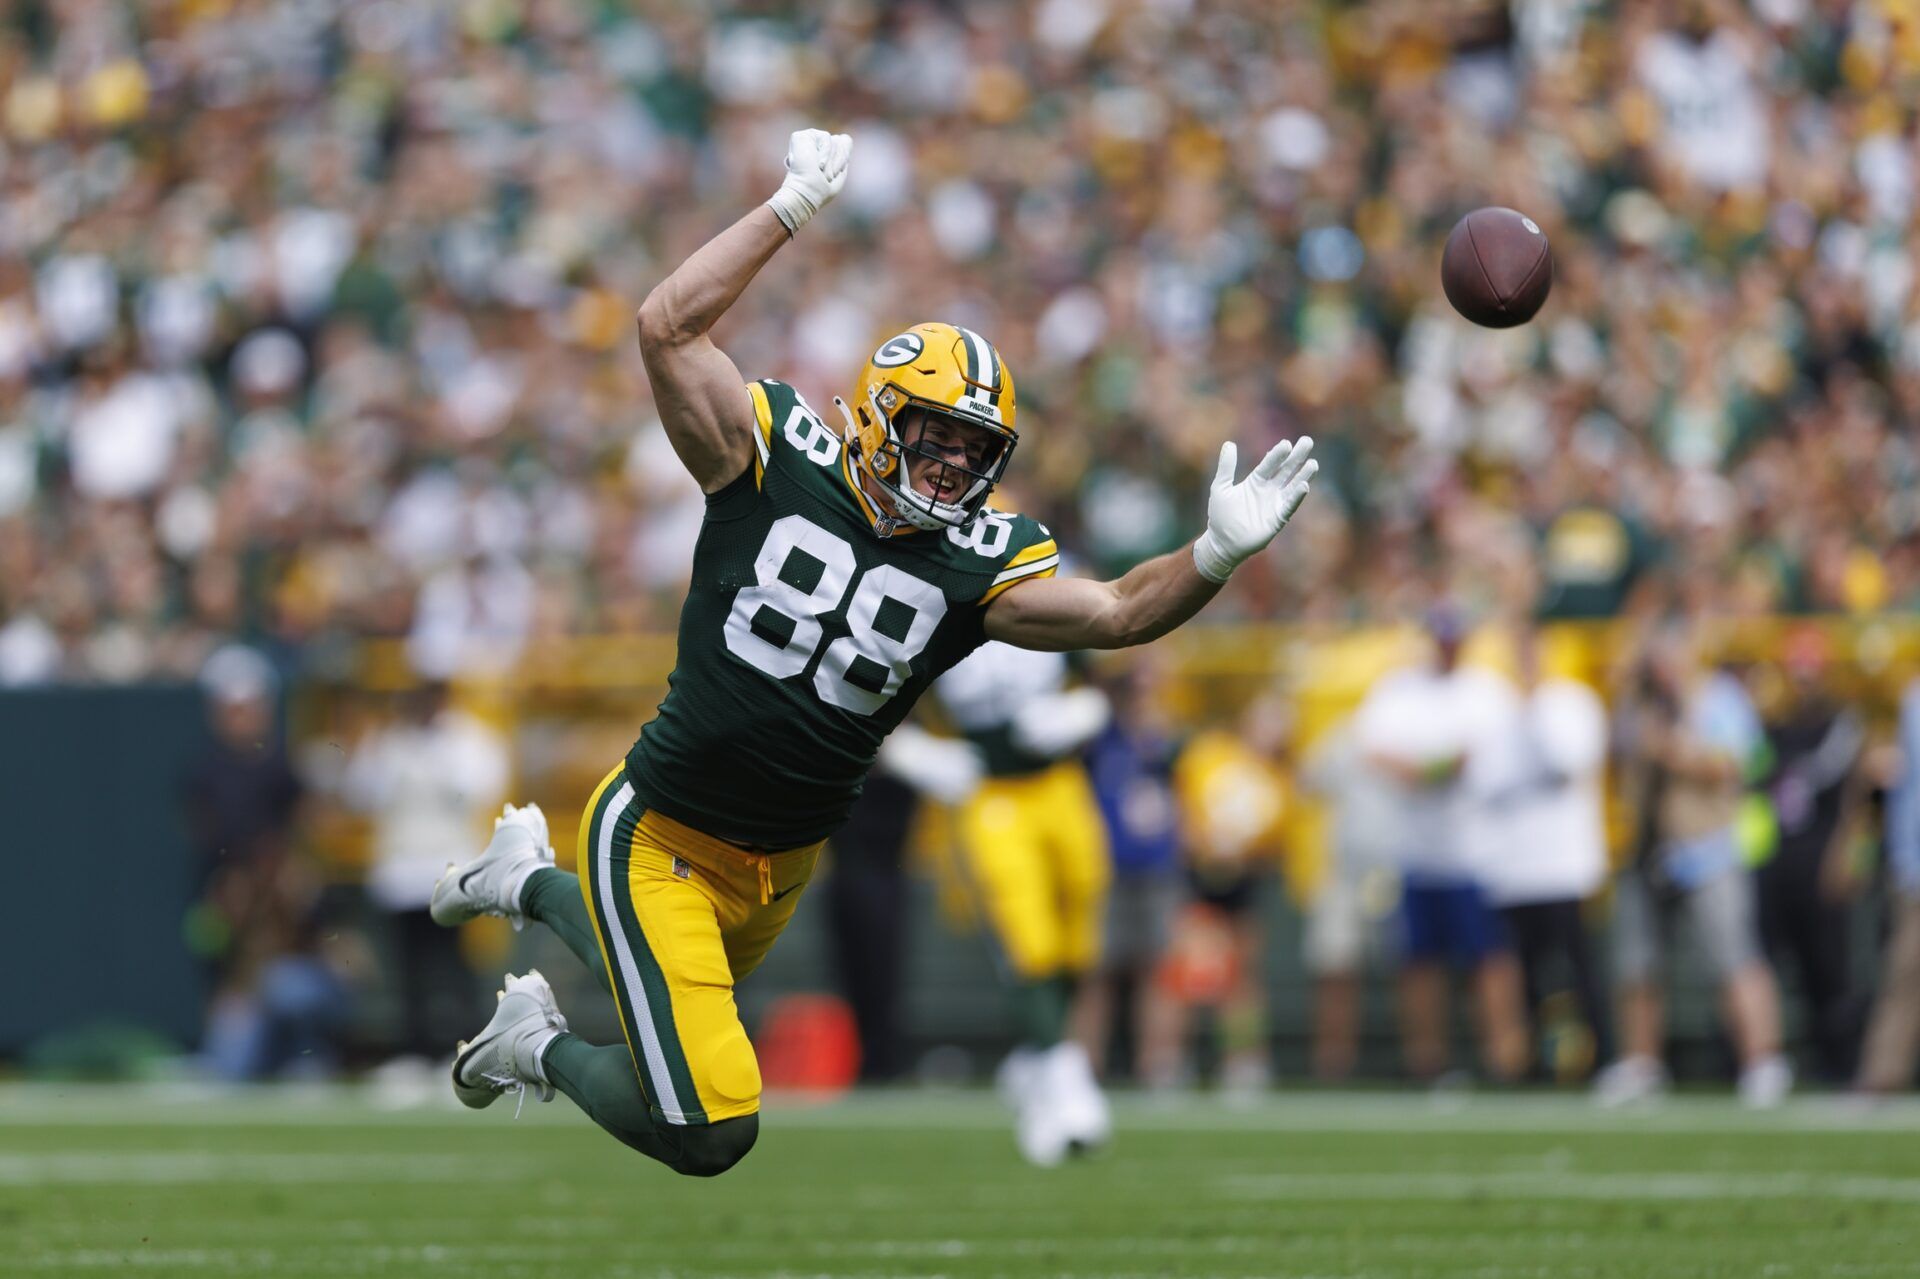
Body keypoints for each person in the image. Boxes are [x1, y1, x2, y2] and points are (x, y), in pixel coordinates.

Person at [423, 129, 1318, 1178]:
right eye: (936, 434)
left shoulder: (976, 567)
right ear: (882, 414)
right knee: (710, 1128)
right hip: (662, 827)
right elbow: (666, 328)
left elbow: (1119, 610)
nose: (951, 465)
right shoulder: (774, 457)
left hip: (781, 862)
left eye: (975, 450)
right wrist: (787, 209)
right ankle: (529, 1044)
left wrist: (1212, 555)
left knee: (656, 982)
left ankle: (525, 878)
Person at [1596, 624, 1791, 1108]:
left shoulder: (1718, 697)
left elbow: (1742, 764)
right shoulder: (1637, 703)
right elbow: (1616, 756)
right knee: (1637, 964)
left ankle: (1762, 1059)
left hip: (1707, 848)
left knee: (1733, 957)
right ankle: (1642, 1062)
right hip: (1647, 849)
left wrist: (1678, 752)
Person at [933, 640, 1112, 1165]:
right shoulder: (931, 604)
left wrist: (1085, 709)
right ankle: (1062, 1073)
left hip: (1059, 782)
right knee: (1027, 936)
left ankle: (1039, 1058)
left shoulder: (1048, 588)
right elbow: (878, 694)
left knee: (1080, 921)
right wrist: (911, 751)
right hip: (992, 793)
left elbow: (1104, 673)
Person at [1355, 606, 1527, 1085]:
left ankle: (1504, 1061)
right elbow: (1375, 751)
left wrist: (1430, 768)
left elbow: (1493, 762)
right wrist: (1433, 768)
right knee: (1419, 965)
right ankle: (1426, 1064)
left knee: (1489, 961)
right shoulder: (1399, 689)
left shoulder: (1488, 693)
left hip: (1478, 853)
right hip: (1415, 851)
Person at [1471, 628, 1616, 1080]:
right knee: (1526, 974)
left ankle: (1602, 1059)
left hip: (1566, 865)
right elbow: (1485, 784)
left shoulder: (1573, 703)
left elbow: (1564, 763)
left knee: (1579, 967)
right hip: (1515, 868)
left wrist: (1533, 712)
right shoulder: (1495, 710)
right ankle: (1531, 1064)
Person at [341, 681, 508, 1062]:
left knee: (456, 965)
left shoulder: (468, 738)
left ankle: (466, 1049)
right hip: (401, 873)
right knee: (408, 967)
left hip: (450, 870)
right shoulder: (389, 741)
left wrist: (432, 754)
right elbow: (360, 794)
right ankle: (414, 1052)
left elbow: (476, 789)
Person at [1754, 628, 1866, 1084]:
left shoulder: (1840, 724)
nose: (1801, 683)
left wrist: (1847, 854)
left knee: (1830, 967)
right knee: (1782, 964)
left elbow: (1853, 799)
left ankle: (1841, 1063)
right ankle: (1790, 1059)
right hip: (1778, 857)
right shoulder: (1773, 728)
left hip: (1822, 855)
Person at [1075, 658, 1185, 1090]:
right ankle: (1084, 1064)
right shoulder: (1096, 735)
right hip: (1105, 867)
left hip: (1157, 866)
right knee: (1095, 972)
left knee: (1157, 969)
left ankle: (1159, 1063)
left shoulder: (1163, 736)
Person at [1857, 678, 1920, 1095]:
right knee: (1904, 972)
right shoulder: (1911, 697)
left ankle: (1881, 1075)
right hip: (1913, 860)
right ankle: (1882, 1076)